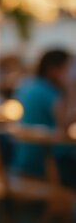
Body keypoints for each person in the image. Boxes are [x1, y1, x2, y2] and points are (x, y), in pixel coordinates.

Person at [12, 48, 76, 187]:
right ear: (54, 70)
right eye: (68, 68)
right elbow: (65, 125)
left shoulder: (29, 86)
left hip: (24, 160)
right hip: (46, 164)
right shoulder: (48, 92)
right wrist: (70, 88)